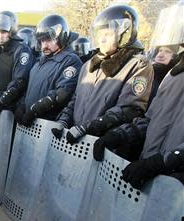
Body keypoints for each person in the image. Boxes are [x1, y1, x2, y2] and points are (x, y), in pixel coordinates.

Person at [92, 1, 184, 190]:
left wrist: (162, 162)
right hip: (155, 179)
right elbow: (150, 120)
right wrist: (120, 134)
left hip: (177, 185)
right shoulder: (174, 74)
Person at [52, 5, 154, 145]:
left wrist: (90, 127)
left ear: (124, 34)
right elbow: (76, 99)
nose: (102, 40)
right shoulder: (90, 65)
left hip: (102, 144)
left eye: (107, 34)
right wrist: (63, 120)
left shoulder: (138, 65)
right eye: (100, 35)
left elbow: (129, 108)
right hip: (74, 139)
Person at [16, 15, 82, 126]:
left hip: (47, 125)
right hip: (29, 124)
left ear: (60, 37)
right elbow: (30, 88)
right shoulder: (40, 62)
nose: (44, 45)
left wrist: (35, 110)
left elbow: (62, 94)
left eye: (48, 40)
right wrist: (22, 105)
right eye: (42, 41)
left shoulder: (70, 61)